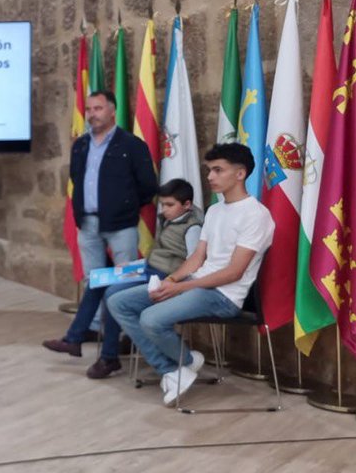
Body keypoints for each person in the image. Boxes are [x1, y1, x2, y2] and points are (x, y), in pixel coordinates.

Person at [106, 143, 275, 406]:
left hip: (223, 296)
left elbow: (234, 272)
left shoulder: (257, 215)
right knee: (120, 302)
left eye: (218, 170)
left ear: (240, 174)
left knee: (150, 318)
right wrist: (171, 280)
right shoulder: (215, 210)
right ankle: (174, 368)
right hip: (196, 284)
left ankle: (180, 365)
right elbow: (197, 258)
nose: (210, 177)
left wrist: (180, 288)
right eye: (209, 170)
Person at [42, 179, 204, 378]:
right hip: (147, 268)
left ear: (186, 205)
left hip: (163, 277)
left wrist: (172, 282)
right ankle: (74, 338)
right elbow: (160, 254)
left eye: (170, 205)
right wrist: (132, 266)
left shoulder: (192, 228)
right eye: (163, 205)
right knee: (97, 280)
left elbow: (193, 262)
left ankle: (109, 356)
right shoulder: (168, 220)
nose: (164, 209)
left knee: (112, 295)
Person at [69, 90, 158, 331]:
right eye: (88, 110)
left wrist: (125, 206)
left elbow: (148, 184)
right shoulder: (80, 145)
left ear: (112, 111)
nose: (91, 114)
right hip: (87, 224)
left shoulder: (131, 144)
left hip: (122, 224)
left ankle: (120, 333)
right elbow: (75, 178)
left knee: (124, 280)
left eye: (98, 109)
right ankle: (97, 328)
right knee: (93, 278)